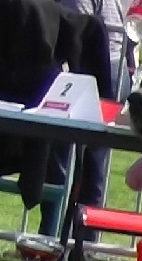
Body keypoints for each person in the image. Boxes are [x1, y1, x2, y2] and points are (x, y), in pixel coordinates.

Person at [39, 0, 133, 238]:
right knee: (94, 160)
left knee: (61, 155)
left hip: (90, 68)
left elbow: (77, 29)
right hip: (116, 67)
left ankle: (50, 237)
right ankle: (85, 241)